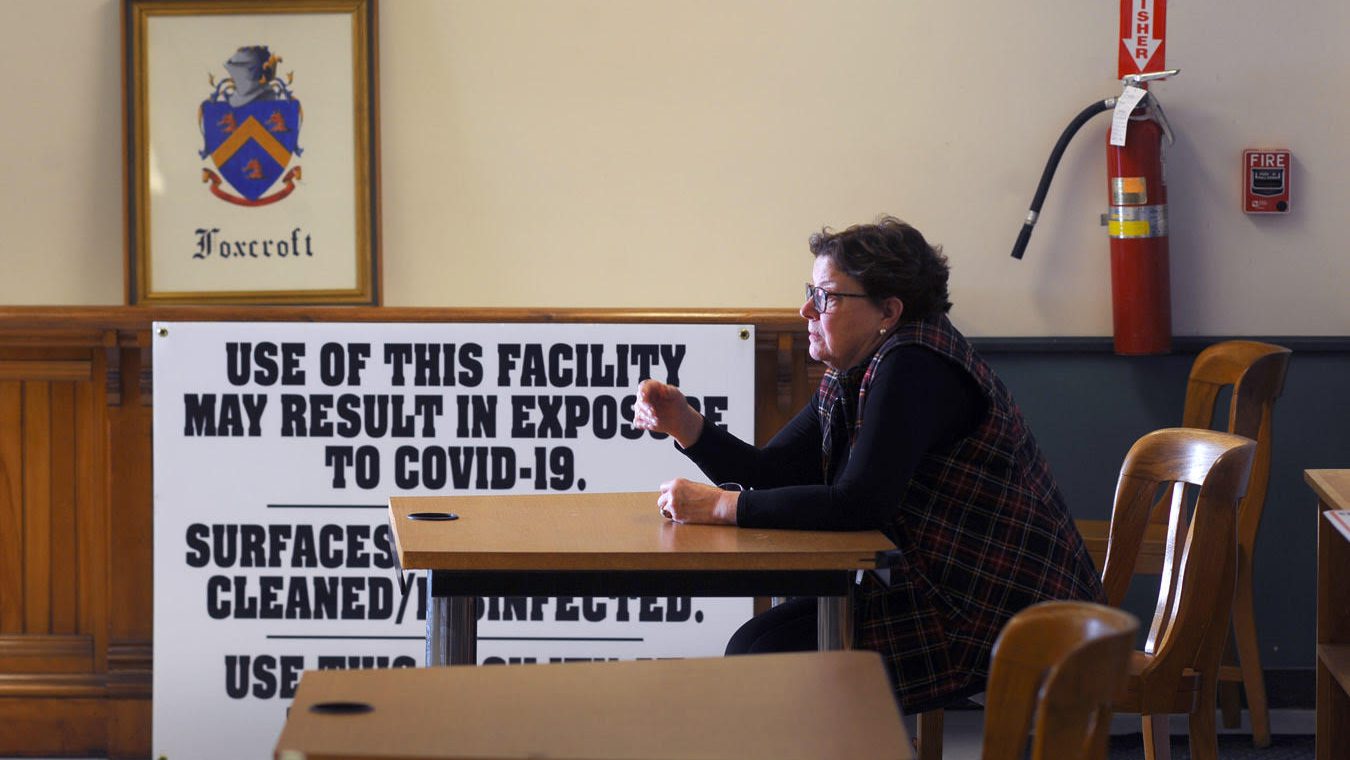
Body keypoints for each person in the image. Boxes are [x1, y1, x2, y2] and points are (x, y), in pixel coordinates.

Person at [632, 216, 1104, 712]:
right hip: (935, 590)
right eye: (810, 290)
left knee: (767, 660)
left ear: (888, 311)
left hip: (998, 612)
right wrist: (686, 423)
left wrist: (723, 507)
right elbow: (773, 471)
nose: (806, 309)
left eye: (828, 297)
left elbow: (858, 505)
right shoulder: (856, 364)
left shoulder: (914, 366)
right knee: (756, 651)